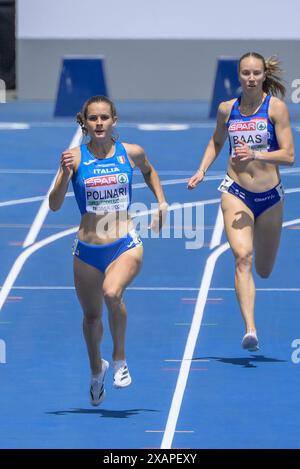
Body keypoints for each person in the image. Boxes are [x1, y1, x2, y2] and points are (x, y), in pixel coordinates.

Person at [49, 95, 168, 405]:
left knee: (112, 293)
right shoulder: (74, 159)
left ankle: (119, 360)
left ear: (114, 120)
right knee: (91, 319)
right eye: (93, 118)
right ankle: (95, 371)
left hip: (125, 242)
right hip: (87, 250)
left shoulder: (131, 152)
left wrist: (162, 202)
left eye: (104, 117)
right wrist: (63, 175)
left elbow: (149, 171)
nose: (99, 123)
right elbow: (54, 204)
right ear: (85, 123)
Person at [188, 52, 295, 352]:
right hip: (236, 192)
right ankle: (250, 328)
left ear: (263, 76)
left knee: (263, 269)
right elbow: (216, 141)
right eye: (245, 73)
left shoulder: (275, 109)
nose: (250, 78)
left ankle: (261, 258)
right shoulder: (226, 109)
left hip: (270, 197)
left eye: (256, 73)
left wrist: (256, 154)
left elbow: (289, 156)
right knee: (242, 256)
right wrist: (201, 170)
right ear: (239, 76)